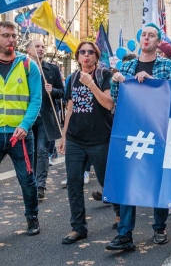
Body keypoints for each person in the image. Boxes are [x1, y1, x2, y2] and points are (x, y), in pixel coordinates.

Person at [106, 23, 171, 251]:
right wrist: (116, 80)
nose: (146, 38)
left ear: (158, 42)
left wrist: (152, 81)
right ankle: (124, 234)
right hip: (130, 131)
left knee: (158, 178)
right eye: (143, 35)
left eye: (152, 35)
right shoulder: (126, 67)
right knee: (129, 180)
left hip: (158, 131)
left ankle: (159, 227)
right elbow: (116, 99)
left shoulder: (166, 65)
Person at [58, 41, 118, 244]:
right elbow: (70, 107)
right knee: (74, 183)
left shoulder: (104, 76)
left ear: (96, 56)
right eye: (82, 52)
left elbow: (109, 104)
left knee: (105, 180)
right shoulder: (72, 78)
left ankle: (119, 211)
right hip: (75, 139)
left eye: (90, 52)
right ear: (77, 57)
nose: (86, 55)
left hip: (99, 139)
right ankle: (78, 227)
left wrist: (91, 84)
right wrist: (64, 135)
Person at [0, 21, 42, 236]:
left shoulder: (28, 65)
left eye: (13, 36)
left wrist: (25, 125)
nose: (11, 40)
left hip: (21, 136)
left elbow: (36, 100)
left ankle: (32, 217)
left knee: (27, 180)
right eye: (6, 35)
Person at [26, 39, 64, 199]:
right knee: (30, 151)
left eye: (43, 46)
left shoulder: (52, 69)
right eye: (37, 46)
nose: (41, 48)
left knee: (41, 150)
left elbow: (62, 92)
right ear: (28, 50)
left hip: (45, 117)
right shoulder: (23, 68)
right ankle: (31, 183)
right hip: (27, 117)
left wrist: (53, 90)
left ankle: (40, 185)